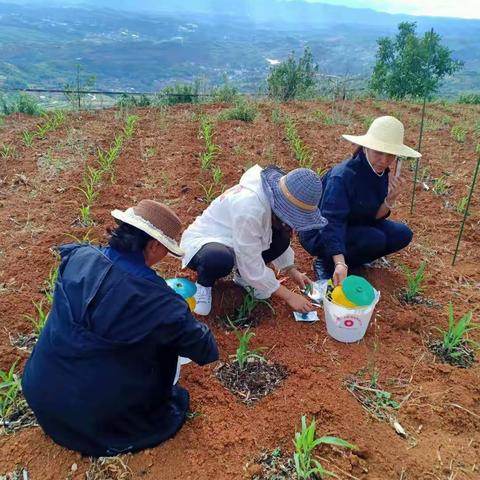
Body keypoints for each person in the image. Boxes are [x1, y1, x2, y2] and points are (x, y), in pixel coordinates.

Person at [22, 200, 218, 457]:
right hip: (97, 423)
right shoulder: (160, 301)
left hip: (40, 394)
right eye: (166, 250)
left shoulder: (79, 256)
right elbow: (206, 351)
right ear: (155, 245)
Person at [180, 164, 328, 316]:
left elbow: (259, 245)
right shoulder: (249, 208)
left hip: (238, 241)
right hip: (206, 243)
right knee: (218, 259)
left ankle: (243, 277)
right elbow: (249, 262)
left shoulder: (268, 202)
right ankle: (204, 285)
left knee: (282, 239)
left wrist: (292, 270)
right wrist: (289, 296)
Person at [300, 115, 420, 286]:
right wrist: (339, 262)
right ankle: (326, 263)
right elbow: (331, 222)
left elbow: (374, 217)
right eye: (379, 152)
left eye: (390, 155)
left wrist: (390, 199)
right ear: (366, 148)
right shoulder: (343, 176)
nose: (384, 160)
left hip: (353, 225)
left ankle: (353, 259)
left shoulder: (381, 173)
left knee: (402, 234)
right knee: (374, 239)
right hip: (321, 233)